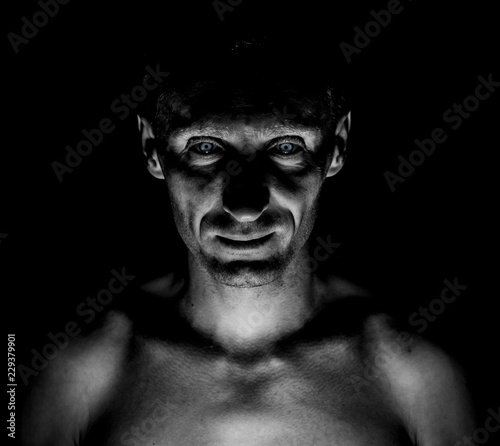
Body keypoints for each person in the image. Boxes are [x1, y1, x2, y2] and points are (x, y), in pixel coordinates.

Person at [20, 39, 475, 446]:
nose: (245, 204)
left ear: (337, 146)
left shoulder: (414, 374)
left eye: (285, 148)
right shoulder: (79, 368)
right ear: (152, 148)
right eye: (205, 148)